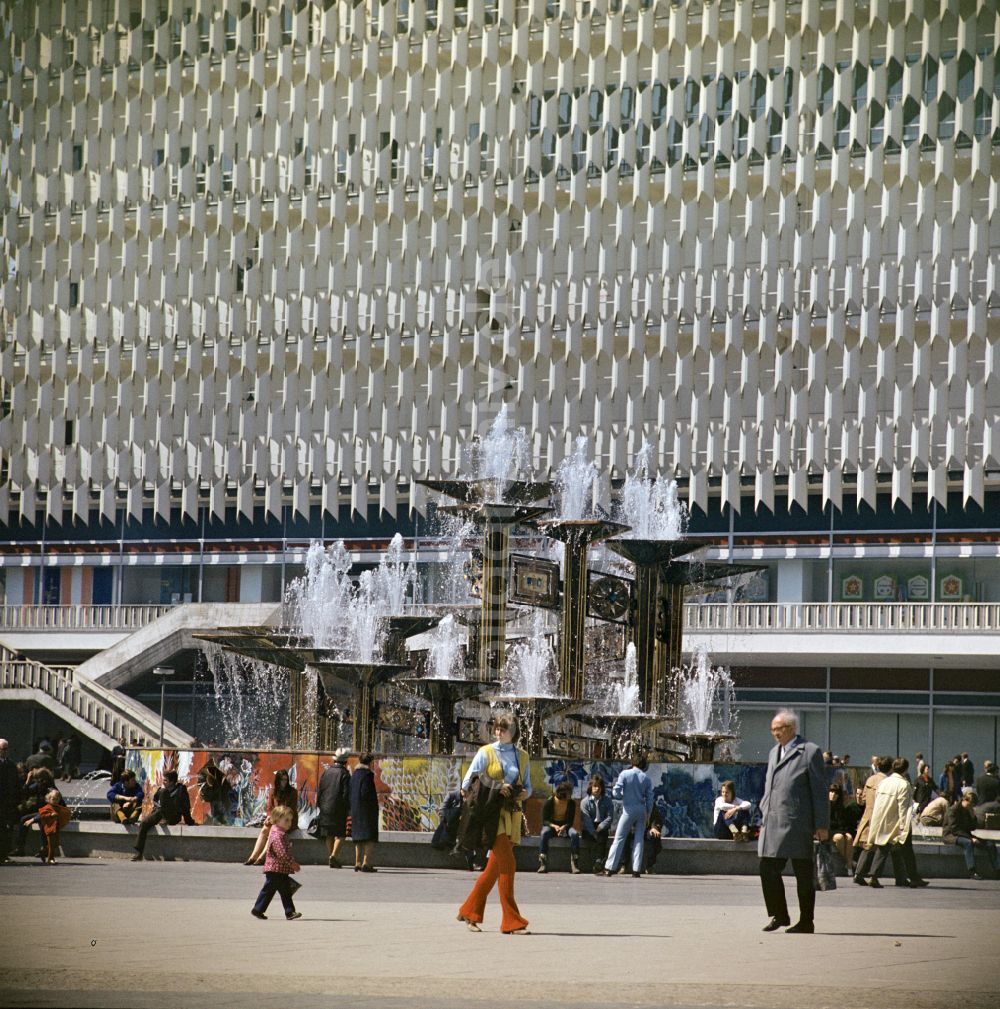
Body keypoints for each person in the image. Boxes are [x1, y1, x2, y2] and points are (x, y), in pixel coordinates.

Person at [456, 713, 532, 934]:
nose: (498, 733)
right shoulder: (485, 752)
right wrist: (498, 787)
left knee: (493, 870)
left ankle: (469, 911)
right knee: (508, 865)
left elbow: (528, 786)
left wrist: (523, 794)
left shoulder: (523, 756)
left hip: (512, 815)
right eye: (497, 728)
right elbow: (468, 781)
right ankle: (512, 921)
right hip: (492, 816)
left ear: (513, 732)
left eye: (503, 729)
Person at [757, 709, 829, 934]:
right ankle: (780, 915)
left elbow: (819, 790)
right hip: (772, 822)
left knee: (803, 873)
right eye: (773, 730)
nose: (776, 734)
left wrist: (822, 825)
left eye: (780, 729)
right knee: (767, 868)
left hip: (798, 823)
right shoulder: (773, 752)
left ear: (792, 728)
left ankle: (806, 921)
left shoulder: (809, 751)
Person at [863, 758, 928, 888]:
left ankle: (879, 876)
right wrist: (904, 825)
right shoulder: (904, 784)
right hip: (896, 820)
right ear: (905, 770)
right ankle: (912, 877)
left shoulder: (884, 782)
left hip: (882, 818)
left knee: (884, 847)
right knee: (906, 850)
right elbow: (903, 807)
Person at [602, 752, 654, 878]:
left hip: (628, 810)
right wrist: (648, 812)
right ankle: (636, 869)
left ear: (632, 762)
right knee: (638, 840)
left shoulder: (625, 774)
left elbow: (616, 792)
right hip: (641, 810)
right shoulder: (646, 778)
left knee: (619, 838)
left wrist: (620, 795)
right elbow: (650, 798)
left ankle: (610, 868)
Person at [250, 805, 302, 920]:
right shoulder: (278, 835)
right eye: (286, 820)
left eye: (290, 820)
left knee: (284, 891)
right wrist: (292, 863)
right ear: (277, 820)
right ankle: (259, 909)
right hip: (275, 869)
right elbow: (282, 853)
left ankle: (288, 912)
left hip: (279, 869)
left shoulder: (279, 833)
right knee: (270, 890)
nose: (289, 823)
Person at [131, 770, 196, 861]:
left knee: (163, 792)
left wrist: (189, 821)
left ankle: (165, 818)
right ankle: (139, 852)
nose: (163, 782)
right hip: (160, 813)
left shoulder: (180, 790)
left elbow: (185, 807)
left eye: (165, 780)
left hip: (173, 816)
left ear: (172, 782)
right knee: (144, 823)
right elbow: (155, 802)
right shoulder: (160, 790)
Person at [852, 755, 892, 880]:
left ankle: (858, 873)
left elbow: (863, 800)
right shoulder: (888, 782)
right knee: (882, 846)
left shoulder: (870, 779)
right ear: (890, 768)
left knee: (867, 846)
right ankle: (873, 876)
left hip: (868, 816)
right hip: (881, 817)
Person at [246, 769, 298, 865]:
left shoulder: (292, 792)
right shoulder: (273, 791)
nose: (284, 782)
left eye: (286, 780)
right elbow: (269, 808)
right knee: (264, 829)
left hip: (287, 820)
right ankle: (253, 856)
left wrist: (276, 819)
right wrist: (269, 817)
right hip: (276, 819)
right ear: (278, 780)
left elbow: (291, 810)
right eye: (282, 780)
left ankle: (261, 857)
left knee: (272, 830)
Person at [943, 791, 998, 881]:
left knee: (990, 844)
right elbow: (954, 829)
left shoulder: (968, 810)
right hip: (951, 835)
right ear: (965, 800)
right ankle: (972, 871)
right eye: (970, 804)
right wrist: (970, 838)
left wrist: (973, 817)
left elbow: (973, 827)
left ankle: (997, 869)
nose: (971, 807)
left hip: (964, 834)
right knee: (968, 843)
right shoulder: (953, 810)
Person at [316, 748, 351, 868]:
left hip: (325, 808)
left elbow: (320, 790)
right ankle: (334, 856)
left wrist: (319, 805)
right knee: (341, 834)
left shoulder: (327, 772)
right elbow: (346, 794)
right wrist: (348, 808)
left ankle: (331, 855)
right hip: (338, 808)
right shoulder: (345, 774)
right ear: (346, 762)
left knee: (329, 834)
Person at [537, 780, 580, 874]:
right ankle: (543, 862)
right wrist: (555, 826)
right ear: (563, 793)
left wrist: (564, 827)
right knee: (544, 833)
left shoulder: (571, 803)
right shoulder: (550, 801)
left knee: (575, 834)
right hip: (552, 826)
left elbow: (570, 821)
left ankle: (574, 862)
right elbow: (545, 821)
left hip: (565, 827)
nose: (570, 795)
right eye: (569, 793)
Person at [22, 788, 71, 864]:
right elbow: (42, 815)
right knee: (51, 844)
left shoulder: (57, 807)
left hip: (55, 828)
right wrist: (50, 815)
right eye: (53, 799)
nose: (55, 801)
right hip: (49, 827)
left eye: (57, 799)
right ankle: (50, 859)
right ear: (49, 799)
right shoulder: (47, 807)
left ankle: (43, 852)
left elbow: (63, 811)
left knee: (55, 844)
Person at [349, 753, 379, 872]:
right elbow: (367, 793)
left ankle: (357, 862)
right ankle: (366, 862)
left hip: (356, 809)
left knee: (358, 837)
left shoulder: (354, 774)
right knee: (369, 837)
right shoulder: (368, 775)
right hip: (367, 810)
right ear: (370, 762)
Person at [580, 774, 613, 872]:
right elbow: (586, 819)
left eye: (599, 786)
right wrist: (593, 831)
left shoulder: (607, 800)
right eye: (595, 786)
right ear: (591, 787)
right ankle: (596, 862)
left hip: (601, 826)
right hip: (589, 827)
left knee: (602, 839)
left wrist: (601, 826)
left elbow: (610, 817)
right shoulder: (585, 802)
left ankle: (598, 861)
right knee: (591, 841)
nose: (597, 789)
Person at [0, 738, 23, 864]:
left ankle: (4, 855)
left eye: (5, 749)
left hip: (7, 803)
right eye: (2, 749)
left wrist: (16, 799)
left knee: (7, 829)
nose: (4, 752)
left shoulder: (10, 764)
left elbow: (15, 783)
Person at [827, 781, 856, 874]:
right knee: (839, 838)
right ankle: (849, 862)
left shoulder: (840, 807)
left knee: (849, 838)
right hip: (828, 831)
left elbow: (842, 822)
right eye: (831, 792)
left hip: (839, 830)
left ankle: (849, 865)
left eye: (836, 793)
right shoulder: (825, 805)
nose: (833, 794)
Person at [197, 758, 232, 825]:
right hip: (217, 797)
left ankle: (220, 821)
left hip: (219, 798)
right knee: (217, 811)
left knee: (219, 811)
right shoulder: (213, 772)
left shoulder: (219, 775)